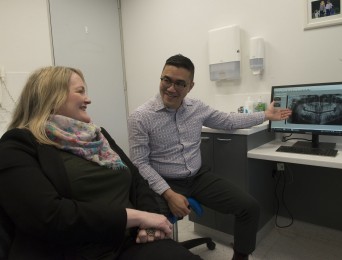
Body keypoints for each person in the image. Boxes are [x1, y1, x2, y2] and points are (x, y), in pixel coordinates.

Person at [0, 66, 203, 260]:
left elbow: (136, 180)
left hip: (129, 242)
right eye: (80, 92)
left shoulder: (97, 135)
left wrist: (150, 223)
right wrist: (133, 217)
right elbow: (49, 215)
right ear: (52, 96)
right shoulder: (18, 145)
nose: (88, 99)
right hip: (73, 250)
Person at [127, 54, 292, 260]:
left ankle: (240, 257)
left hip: (197, 178)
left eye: (180, 83)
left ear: (191, 86)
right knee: (146, 232)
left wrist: (266, 116)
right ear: (161, 78)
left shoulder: (197, 108)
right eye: (166, 80)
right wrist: (169, 194)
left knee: (249, 208)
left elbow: (228, 120)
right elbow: (140, 164)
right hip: (162, 183)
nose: (171, 88)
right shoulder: (140, 117)